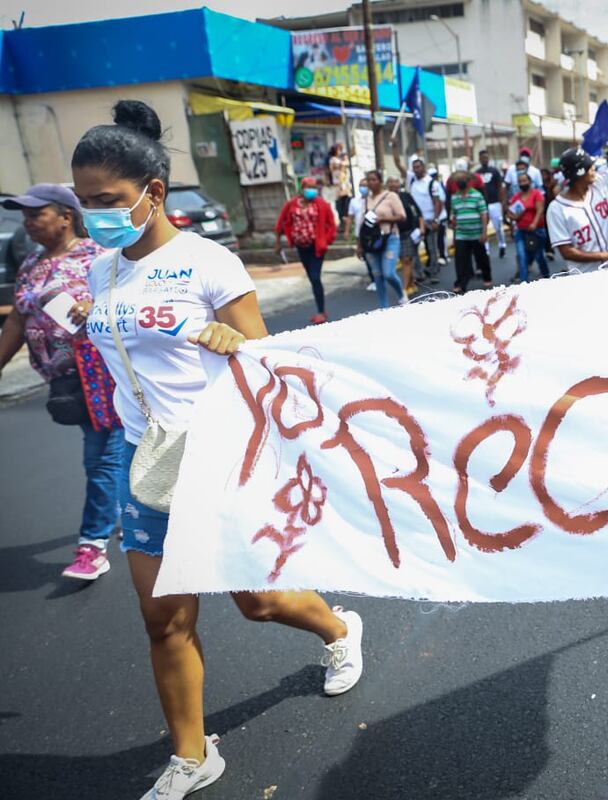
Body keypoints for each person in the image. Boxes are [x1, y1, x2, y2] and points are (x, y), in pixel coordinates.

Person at [71, 100, 365, 800]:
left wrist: (238, 346)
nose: (94, 215)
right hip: (148, 467)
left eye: (106, 200)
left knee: (258, 604)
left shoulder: (209, 262)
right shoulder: (99, 272)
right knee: (162, 619)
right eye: (84, 202)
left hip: (219, 463)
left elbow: (271, 361)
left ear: (154, 193)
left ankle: (338, 629)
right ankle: (193, 753)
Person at [0, 184, 121, 580]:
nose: (28, 222)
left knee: (100, 457)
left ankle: (93, 545)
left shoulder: (99, 258)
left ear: (66, 216)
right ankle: (130, 507)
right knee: (111, 455)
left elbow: (131, 305)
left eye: (37, 214)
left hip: (105, 374)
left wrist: (98, 307)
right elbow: (18, 318)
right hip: (66, 381)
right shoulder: (31, 264)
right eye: (25, 215)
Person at [546, 145, 608, 271]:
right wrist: (606, 256)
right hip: (587, 277)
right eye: (589, 167)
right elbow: (567, 252)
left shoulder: (600, 184)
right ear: (579, 173)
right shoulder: (556, 209)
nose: (593, 168)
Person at [274, 177, 338, 324]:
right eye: (309, 187)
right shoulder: (291, 204)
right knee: (312, 278)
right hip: (301, 247)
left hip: (317, 248)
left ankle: (321, 312)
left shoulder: (321, 204)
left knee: (315, 277)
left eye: (314, 187)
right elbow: (281, 223)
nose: (312, 190)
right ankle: (321, 309)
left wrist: (326, 240)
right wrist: (278, 242)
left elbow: (332, 225)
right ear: (302, 189)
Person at [358, 169, 407, 309]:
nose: (371, 183)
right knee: (377, 276)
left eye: (374, 179)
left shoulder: (391, 196)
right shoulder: (366, 199)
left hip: (389, 238)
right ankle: (383, 308)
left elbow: (402, 216)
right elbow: (362, 223)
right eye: (369, 180)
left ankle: (401, 295)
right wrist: (359, 245)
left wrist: (383, 219)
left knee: (388, 273)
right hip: (370, 241)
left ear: (380, 181)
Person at [447, 170, 492, 294]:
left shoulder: (477, 195)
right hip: (461, 234)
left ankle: (487, 277)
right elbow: (454, 214)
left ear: (468, 181)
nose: (460, 182)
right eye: (458, 180)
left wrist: (484, 232)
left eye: (463, 180)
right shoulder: (454, 197)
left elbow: (483, 214)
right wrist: (452, 222)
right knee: (460, 260)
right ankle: (461, 283)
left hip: (477, 233)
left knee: (481, 257)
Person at [385, 175, 424, 296]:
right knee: (403, 260)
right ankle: (411, 283)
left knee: (407, 259)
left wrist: (421, 227)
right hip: (392, 233)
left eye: (395, 181)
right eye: (390, 182)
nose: (393, 184)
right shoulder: (384, 199)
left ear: (399, 184)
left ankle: (404, 289)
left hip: (408, 233)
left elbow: (418, 212)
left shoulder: (406, 196)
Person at [507, 170, 549, 282]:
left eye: (524, 181)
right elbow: (510, 214)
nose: (522, 183)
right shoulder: (516, 197)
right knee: (521, 256)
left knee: (539, 256)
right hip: (521, 231)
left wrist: (534, 223)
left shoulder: (536, 194)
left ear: (530, 181)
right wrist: (515, 217)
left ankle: (547, 277)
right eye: (520, 181)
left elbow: (540, 210)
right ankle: (524, 282)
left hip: (537, 231)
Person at [408, 158, 446, 278]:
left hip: (429, 220)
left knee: (431, 248)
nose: (416, 170)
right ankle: (419, 273)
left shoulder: (431, 183)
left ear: (423, 168)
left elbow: (437, 202)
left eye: (418, 167)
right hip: (416, 222)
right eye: (414, 168)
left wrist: (436, 219)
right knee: (412, 248)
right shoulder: (412, 182)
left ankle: (433, 271)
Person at [475, 149, 508, 258]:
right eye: (482, 158)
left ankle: (502, 245)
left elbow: (500, 187)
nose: (484, 160)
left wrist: (502, 202)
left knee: (498, 226)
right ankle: (486, 250)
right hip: (482, 204)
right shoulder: (477, 173)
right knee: (482, 227)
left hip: (495, 203)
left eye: (486, 157)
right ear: (479, 159)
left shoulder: (494, 171)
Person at [347, 178, 374, 291]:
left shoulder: (373, 200)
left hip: (373, 234)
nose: (363, 188)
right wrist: (347, 231)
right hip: (361, 234)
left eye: (365, 185)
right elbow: (350, 217)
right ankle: (374, 279)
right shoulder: (354, 201)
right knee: (366, 257)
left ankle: (378, 278)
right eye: (361, 185)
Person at [327, 143, 353, 241]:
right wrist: (345, 160)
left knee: (346, 203)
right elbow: (343, 164)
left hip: (345, 184)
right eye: (339, 150)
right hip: (339, 185)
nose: (340, 152)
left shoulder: (341, 160)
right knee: (340, 204)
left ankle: (345, 222)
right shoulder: (333, 160)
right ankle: (342, 221)